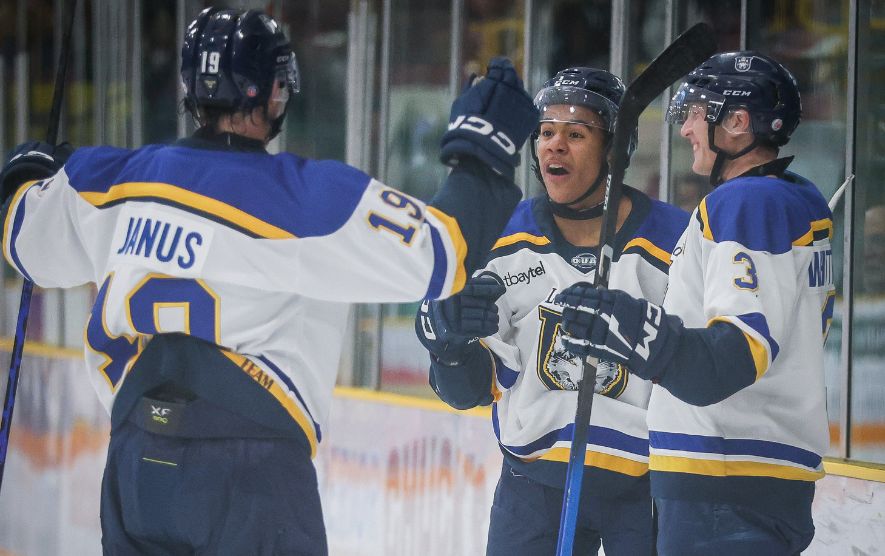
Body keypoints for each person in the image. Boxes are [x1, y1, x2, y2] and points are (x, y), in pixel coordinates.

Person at [0, 7, 538, 555]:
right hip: (248, 468)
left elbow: (24, 239)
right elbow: (443, 252)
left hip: (136, 457)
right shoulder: (301, 197)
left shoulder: (108, 177)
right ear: (275, 91)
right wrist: (483, 153)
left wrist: (27, 174)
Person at [555, 51, 834, 555]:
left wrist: (636, 331)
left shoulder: (747, 202)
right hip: (751, 477)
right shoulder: (793, 198)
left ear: (737, 122)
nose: (686, 128)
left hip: (725, 478)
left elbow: (732, 358)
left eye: (697, 113)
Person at [414, 67, 689, 555]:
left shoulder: (678, 241)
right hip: (533, 489)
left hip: (648, 488)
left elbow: (699, 366)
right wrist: (449, 347)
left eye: (576, 134)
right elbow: (469, 391)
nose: (554, 146)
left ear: (614, 150)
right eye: (545, 132)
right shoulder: (500, 237)